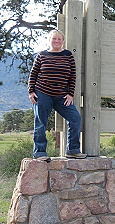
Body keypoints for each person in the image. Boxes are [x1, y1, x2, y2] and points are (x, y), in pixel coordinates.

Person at [28, 29, 87, 162]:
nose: (56, 41)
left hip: (61, 96)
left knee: (75, 118)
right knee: (40, 123)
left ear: (63, 41)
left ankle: (72, 150)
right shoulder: (41, 56)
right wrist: (31, 91)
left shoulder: (68, 55)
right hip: (42, 93)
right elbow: (33, 74)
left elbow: (72, 76)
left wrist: (70, 94)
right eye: (54, 39)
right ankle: (40, 153)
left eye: (59, 39)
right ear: (49, 40)